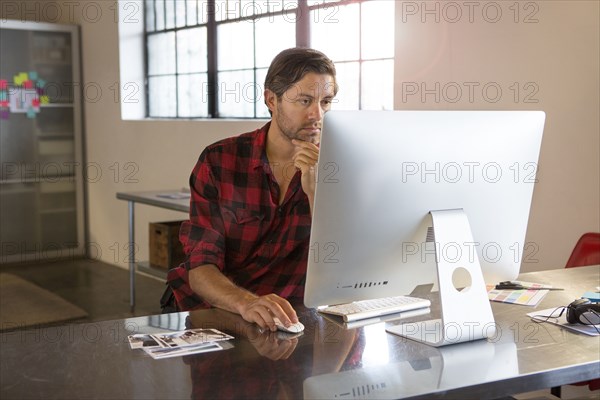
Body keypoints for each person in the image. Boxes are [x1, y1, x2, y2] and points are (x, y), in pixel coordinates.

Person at [166, 47, 338, 332]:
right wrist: (247, 303)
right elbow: (200, 267)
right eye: (304, 100)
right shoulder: (220, 160)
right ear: (272, 99)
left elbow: (341, 268)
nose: (317, 115)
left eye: (326, 102)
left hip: (292, 320)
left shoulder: (338, 164)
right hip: (219, 310)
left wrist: (317, 192)